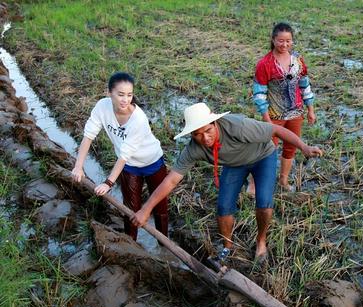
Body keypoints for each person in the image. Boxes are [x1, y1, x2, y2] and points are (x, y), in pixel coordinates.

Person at [130, 102, 322, 263]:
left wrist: (304, 147)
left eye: (208, 130)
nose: (205, 138)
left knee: (264, 202)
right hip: (235, 164)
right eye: (197, 134)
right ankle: (227, 247)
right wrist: (146, 209)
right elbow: (171, 180)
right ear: (191, 135)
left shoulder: (238, 126)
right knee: (223, 208)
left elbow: (277, 129)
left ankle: (261, 241)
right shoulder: (193, 149)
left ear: (215, 123)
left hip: (262, 156)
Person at [71, 72, 168, 241]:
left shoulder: (138, 119)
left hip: (152, 162)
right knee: (130, 208)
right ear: (109, 93)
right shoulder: (102, 107)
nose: (125, 100)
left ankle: (163, 242)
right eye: (120, 94)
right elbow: (88, 136)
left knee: (159, 206)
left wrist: (108, 183)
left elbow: (124, 155)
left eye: (129, 95)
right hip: (129, 166)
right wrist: (78, 166)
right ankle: (130, 242)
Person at [252, 22, 316, 192]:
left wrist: (310, 109)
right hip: (274, 115)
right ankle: (254, 182)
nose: (284, 45)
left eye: (288, 41)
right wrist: (267, 119)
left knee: (291, 147)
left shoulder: (298, 60)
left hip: (296, 113)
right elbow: (259, 95)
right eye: (280, 41)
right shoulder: (265, 64)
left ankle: (283, 181)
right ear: (273, 40)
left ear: (292, 41)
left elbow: (305, 85)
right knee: (265, 149)